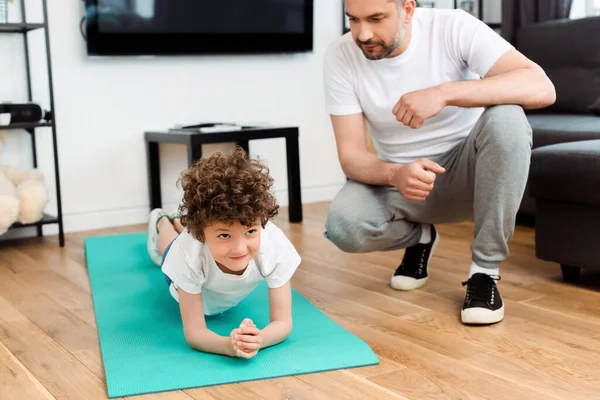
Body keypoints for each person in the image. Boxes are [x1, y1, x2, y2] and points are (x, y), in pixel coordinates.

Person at [323, 0, 556, 325]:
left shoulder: (453, 27)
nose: (363, 34)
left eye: (376, 18)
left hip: (468, 175)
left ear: (407, 9)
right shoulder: (341, 54)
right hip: (403, 185)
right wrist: (395, 173)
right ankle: (420, 238)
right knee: (342, 226)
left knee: (508, 117)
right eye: (354, 20)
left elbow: (541, 87)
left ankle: (484, 273)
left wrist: (445, 93)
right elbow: (351, 156)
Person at [146, 147, 301, 358]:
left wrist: (258, 340)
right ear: (200, 233)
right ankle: (163, 222)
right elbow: (195, 333)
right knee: (169, 246)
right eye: (225, 236)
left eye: (250, 231)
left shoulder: (273, 245)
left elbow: (282, 322)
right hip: (184, 262)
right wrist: (228, 346)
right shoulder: (187, 251)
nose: (240, 248)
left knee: (213, 234)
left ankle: (180, 221)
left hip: (202, 241)